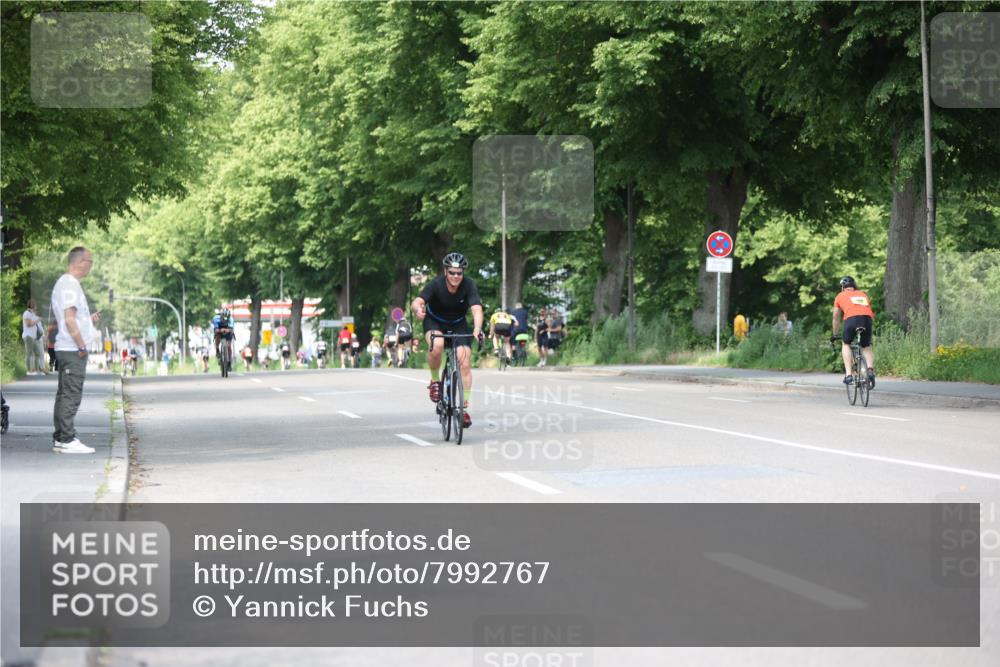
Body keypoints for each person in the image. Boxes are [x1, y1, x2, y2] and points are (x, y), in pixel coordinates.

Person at [411, 252, 483, 428]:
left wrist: (477, 328)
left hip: (458, 323)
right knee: (438, 344)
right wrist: (417, 310)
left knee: (464, 359)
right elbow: (417, 301)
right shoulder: (436, 284)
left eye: (459, 273)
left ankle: (463, 407)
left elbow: (476, 309)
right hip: (435, 321)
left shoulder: (469, 285)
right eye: (452, 272)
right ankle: (435, 380)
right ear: (445, 271)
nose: (456, 276)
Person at [50, 247, 100, 454]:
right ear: (79, 262)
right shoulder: (70, 284)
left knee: (64, 394)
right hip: (72, 349)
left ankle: (62, 438)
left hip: (68, 348)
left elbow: (71, 318)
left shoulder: (67, 284)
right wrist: (81, 346)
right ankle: (67, 438)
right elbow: (69, 319)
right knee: (71, 394)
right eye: (90, 261)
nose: (91, 265)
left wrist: (88, 321)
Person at [832, 276, 876, 388]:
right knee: (866, 346)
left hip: (851, 319)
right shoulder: (862, 294)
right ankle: (870, 370)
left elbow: (836, 318)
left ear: (843, 288)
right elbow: (867, 310)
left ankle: (848, 375)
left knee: (846, 343)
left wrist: (835, 334)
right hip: (866, 319)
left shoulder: (840, 296)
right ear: (854, 286)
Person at [22, 299, 46, 374]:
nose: (36, 306)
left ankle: (36, 370)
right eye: (35, 305)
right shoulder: (27, 313)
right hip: (28, 336)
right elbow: (28, 324)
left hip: (34, 337)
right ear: (32, 305)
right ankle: (28, 370)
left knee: (38, 353)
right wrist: (38, 320)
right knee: (29, 353)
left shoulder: (32, 314)